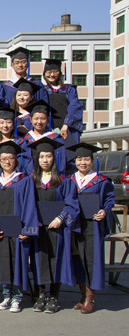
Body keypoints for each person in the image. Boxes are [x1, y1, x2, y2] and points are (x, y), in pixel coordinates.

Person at [28, 137, 79, 314]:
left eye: (48, 156)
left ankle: (54, 297)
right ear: (37, 159)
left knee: (56, 260)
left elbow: (71, 204)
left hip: (57, 227)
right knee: (39, 260)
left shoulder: (64, 181)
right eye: (42, 157)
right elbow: (27, 203)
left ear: (54, 158)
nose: (45, 160)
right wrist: (33, 219)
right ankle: (41, 295)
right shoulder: (32, 180)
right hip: (39, 227)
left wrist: (60, 218)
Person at [65, 142, 115, 314]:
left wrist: (104, 211)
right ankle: (82, 295)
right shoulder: (70, 180)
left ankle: (90, 298)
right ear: (75, 161)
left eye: (86, 159)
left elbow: (109, 200)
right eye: (79, 159)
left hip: (92, 225)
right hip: (75, 225)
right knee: (78, 259)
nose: (83, 163)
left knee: (91, 259)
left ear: (92, 161)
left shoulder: (101, 181)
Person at [0, 141, 38, 314]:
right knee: (3, 263)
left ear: (16, 160)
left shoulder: (24, 180)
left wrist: (27, 229)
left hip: (18, 230)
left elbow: (30, 205)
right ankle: (6, 296)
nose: (7, 161)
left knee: (18, 263)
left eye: (10, 158)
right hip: (1, 231)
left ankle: (17, 298)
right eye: (3, 158)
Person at [42, 58, 84, 148]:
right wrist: (49, 127)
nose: (52, 75)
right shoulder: (42, 91)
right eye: (48, 72)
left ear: (60, 73)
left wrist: (66, 125)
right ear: (44, 74)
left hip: (68, 129)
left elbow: (74, 106)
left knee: (70, 152)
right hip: (50, 129)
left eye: (55, 72)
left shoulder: (69, 89)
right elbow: (42, 109)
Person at [22, 100, 68, 176]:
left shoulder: (56, 138)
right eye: (36, 119)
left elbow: (61, 162)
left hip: (51, 178)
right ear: (31, 119)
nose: (39, 122)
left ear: (47, 119)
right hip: (30, 178)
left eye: (43, 118)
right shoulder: (26, 140)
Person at [0, 107, 33, 175]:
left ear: (13, 124)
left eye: (9, 122)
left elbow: (26, 164)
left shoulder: (21, 143)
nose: (5, 126)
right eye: (2, 122)